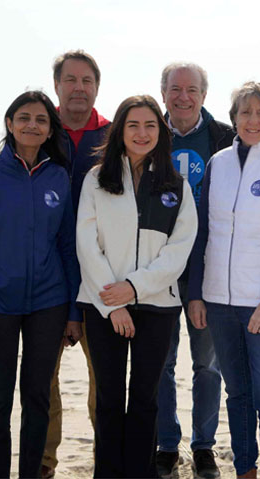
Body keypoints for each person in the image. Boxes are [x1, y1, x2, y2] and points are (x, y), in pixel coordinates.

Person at [0, 90, 81, 479]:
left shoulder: (59, 177)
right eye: (24, 117)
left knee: (37, 396)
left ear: (49, 131)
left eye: (41, 120)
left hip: (49, 302)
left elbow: (67, 248)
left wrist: (73, 313)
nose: (32, 124)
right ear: (10, 125)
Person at [188, 81, 260, 479]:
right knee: (237, 394)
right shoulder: (218, 163)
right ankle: (245, 470)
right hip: (218, 300)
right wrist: (196, 294)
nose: (252, 120)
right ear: (234, 116)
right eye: (244, 112)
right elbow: (203, 231)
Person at [76, 95, 197, 478]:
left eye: (150, 126)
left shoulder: (177, 186)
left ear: (160, 132)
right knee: (109, 400)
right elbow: (86, 243)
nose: (142, 133)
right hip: (102, 305)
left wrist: (134, 288)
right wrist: (114, 304)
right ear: (120, 132)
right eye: (133, 125)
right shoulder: (97, 179)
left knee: (145, 399)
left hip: (158, 307)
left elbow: (179, 251)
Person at [156, 61, 234, 479]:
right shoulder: (147, 132)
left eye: (191, 89)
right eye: (174, 88)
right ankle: (167, 444)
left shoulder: (226, 136)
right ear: (162, 91)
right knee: (161, 363)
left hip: (209, 267)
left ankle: (203, 445)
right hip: (160, 268)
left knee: (207, 364)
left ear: (204, 94)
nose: (182, 96)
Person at [42, 49, 110, 479]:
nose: (79, 88)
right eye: (71, 80)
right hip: (44, 278)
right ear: (57, 86)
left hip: (99, 277)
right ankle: (44, 463)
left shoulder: (111, 133)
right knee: (41, 384)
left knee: (103, 384)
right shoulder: (38, 128)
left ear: (97, 87)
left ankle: (106, 461)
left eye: (87, 81)